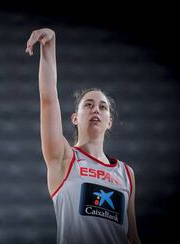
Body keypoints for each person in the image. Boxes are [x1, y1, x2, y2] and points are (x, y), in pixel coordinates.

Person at [25, 28, 141, 244]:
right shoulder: (64, 158)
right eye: (88, 105)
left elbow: (132, 236)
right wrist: (49, 45)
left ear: (110, 122)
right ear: (75, 118)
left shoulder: (126, 173)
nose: (96, 109)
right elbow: (48, 98)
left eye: (103, 107)